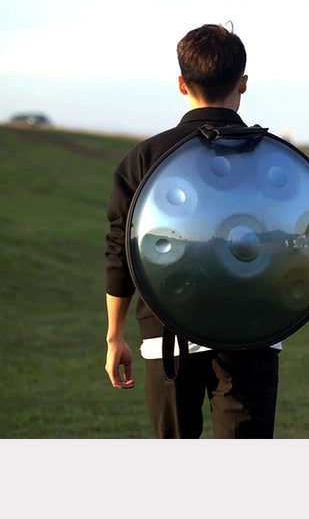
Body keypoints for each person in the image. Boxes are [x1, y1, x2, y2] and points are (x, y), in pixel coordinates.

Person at [104, 23, 280, 439]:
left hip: (166, 335)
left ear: (182, 84)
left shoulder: (144, 157)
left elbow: (120, 252)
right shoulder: (272, 160)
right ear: (244, 83)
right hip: (253, 329)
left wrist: (115, 336)